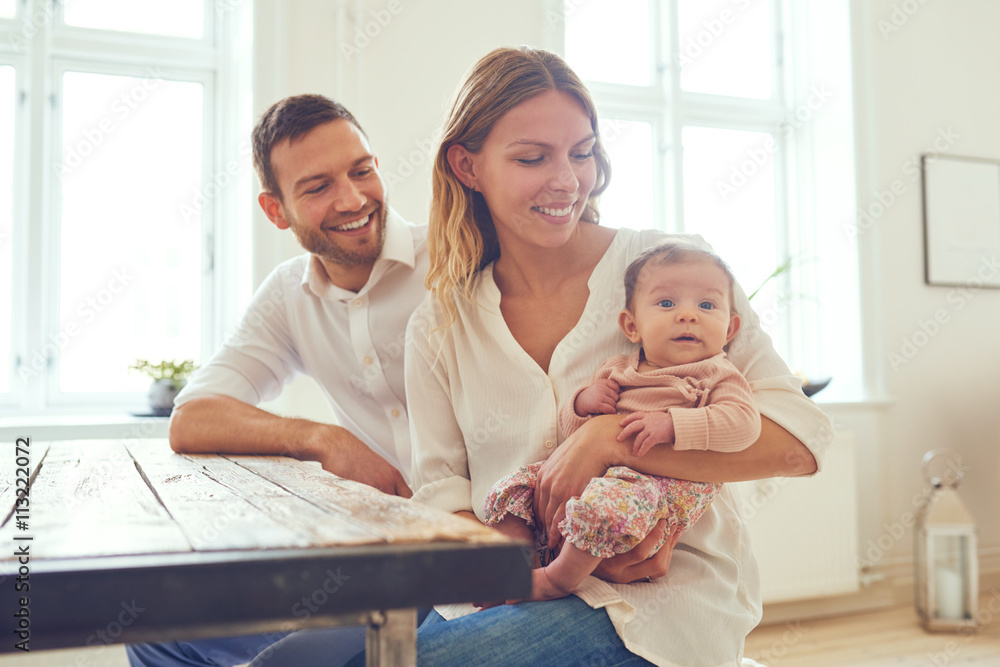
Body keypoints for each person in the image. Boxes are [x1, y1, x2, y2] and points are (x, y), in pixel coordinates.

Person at [391, 46, 833, 666]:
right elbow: (442, 488)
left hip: (659, 598)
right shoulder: (441, 321)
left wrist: (614, 440)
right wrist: (504, 552)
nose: (567, 180)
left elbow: (800, 440)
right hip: (507, 594)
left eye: (582, 152)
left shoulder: (670, 273)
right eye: (531, 157)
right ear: (467, 166)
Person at [126, 94, 428, 666]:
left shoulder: (453, 259)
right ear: (276, 210)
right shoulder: (290, 292)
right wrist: (322, 439)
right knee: (156, 628)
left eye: (361, 170)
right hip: (371, 557)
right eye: (317, 187)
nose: (354, 198)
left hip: (463, 557)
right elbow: (193, 417)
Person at [484, 241, 761, 603]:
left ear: (729, 329)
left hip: (660, 483)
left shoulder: (717, 374)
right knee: (515, 484)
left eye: (706, 305)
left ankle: (556, 580)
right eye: (667, 303)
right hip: (600, 474)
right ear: (632, 326)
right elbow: (575, 436)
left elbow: (744, 423)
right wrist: (583, 404)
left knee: (608, 504)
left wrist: (673, 424)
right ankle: (520, 564)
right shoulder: (617, 369)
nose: (688, 315)